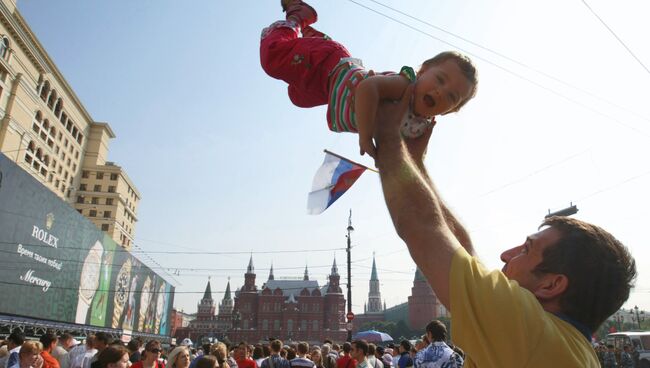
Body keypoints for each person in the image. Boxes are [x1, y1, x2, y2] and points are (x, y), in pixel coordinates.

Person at [372, 85, 637, 367]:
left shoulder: (528, 332)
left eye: (526, 249)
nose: (505, 255)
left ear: (552, 284)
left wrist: (387, 130)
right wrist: (416, 164)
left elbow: (421, 226)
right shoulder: (569, 348)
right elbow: (464, 252)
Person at [259, 0, 478, 158]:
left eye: (451, 96)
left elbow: (412, 159)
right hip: (329, 64)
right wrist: (365, 137)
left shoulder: (421, 129)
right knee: (273, 59)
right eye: (439, 79)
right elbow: (366, 88)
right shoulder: (405, 86)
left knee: (296, 97)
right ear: (422, 71)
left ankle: (310, 38)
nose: (440, 91)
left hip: (326, 87)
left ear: (450, 111)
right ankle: (297, 16)